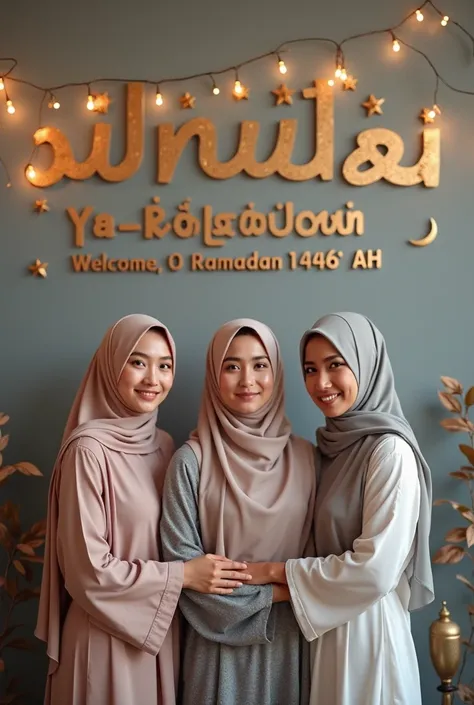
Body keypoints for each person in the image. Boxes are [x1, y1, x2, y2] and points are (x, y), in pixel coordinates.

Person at [35, 314, 249, 705]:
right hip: (103, 638)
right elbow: (88, 571)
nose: (153, 378)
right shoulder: (88, 451)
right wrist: (183, 574)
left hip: (158, 635)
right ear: (111, 365)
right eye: (138, 362)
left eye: (164, 365)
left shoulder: (165, 446)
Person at [246, 312, 435, 705]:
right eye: (310, 369)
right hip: (325, 630)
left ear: (366, 364)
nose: (321, 383)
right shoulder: (331, 448)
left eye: (335, 365)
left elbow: (376, 570)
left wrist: (270, 574)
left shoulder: (389, 450)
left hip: (370, 635)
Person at [160, 318, 316, 705]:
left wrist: (291, 592)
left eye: (260, 365)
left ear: (276, 373)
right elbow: (182, 571)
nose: (247, 379)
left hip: (292, 646)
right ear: (215, 376)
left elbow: (322, 556)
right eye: (232, 366)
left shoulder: (308, 458)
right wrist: (284, 593)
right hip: (214, 648)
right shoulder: (190, 461)